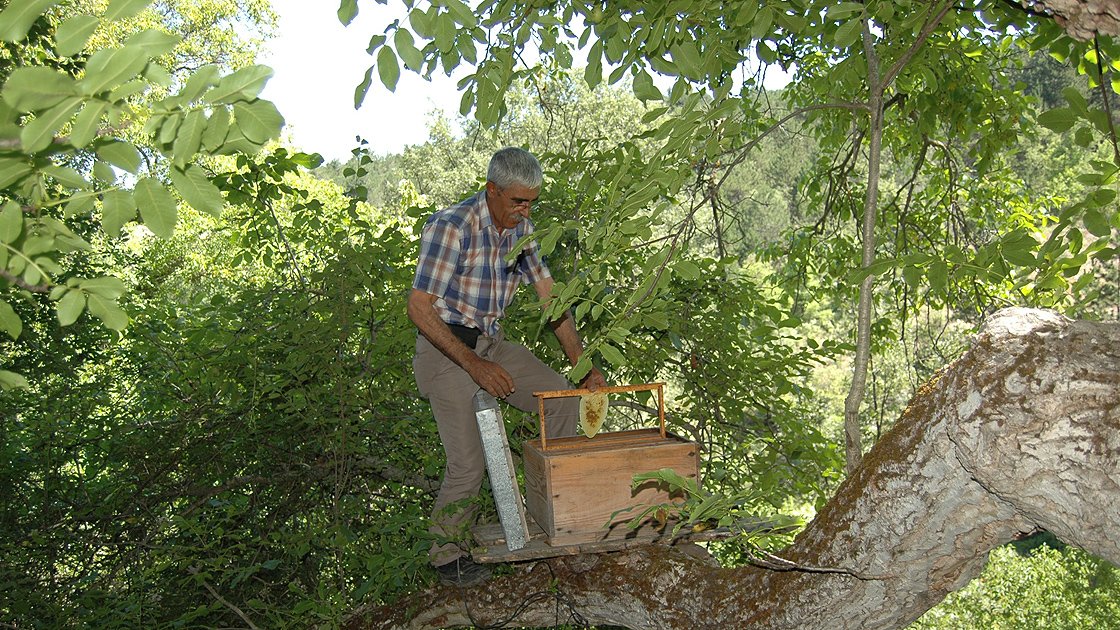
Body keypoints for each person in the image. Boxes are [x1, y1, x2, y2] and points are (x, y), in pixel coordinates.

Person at [407, 147, 607, 586]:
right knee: (468, 464)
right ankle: (446, 557)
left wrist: (584, 367)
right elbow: (420, 309)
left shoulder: (524, 232)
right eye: (518, 201)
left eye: (532, 201)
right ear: (492, 190)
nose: (525, 210)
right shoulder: (453, 226)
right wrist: (474, 366)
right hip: (445, 351)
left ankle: (556, 514)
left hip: (489, 345)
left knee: (560, 400)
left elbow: (552, 302)